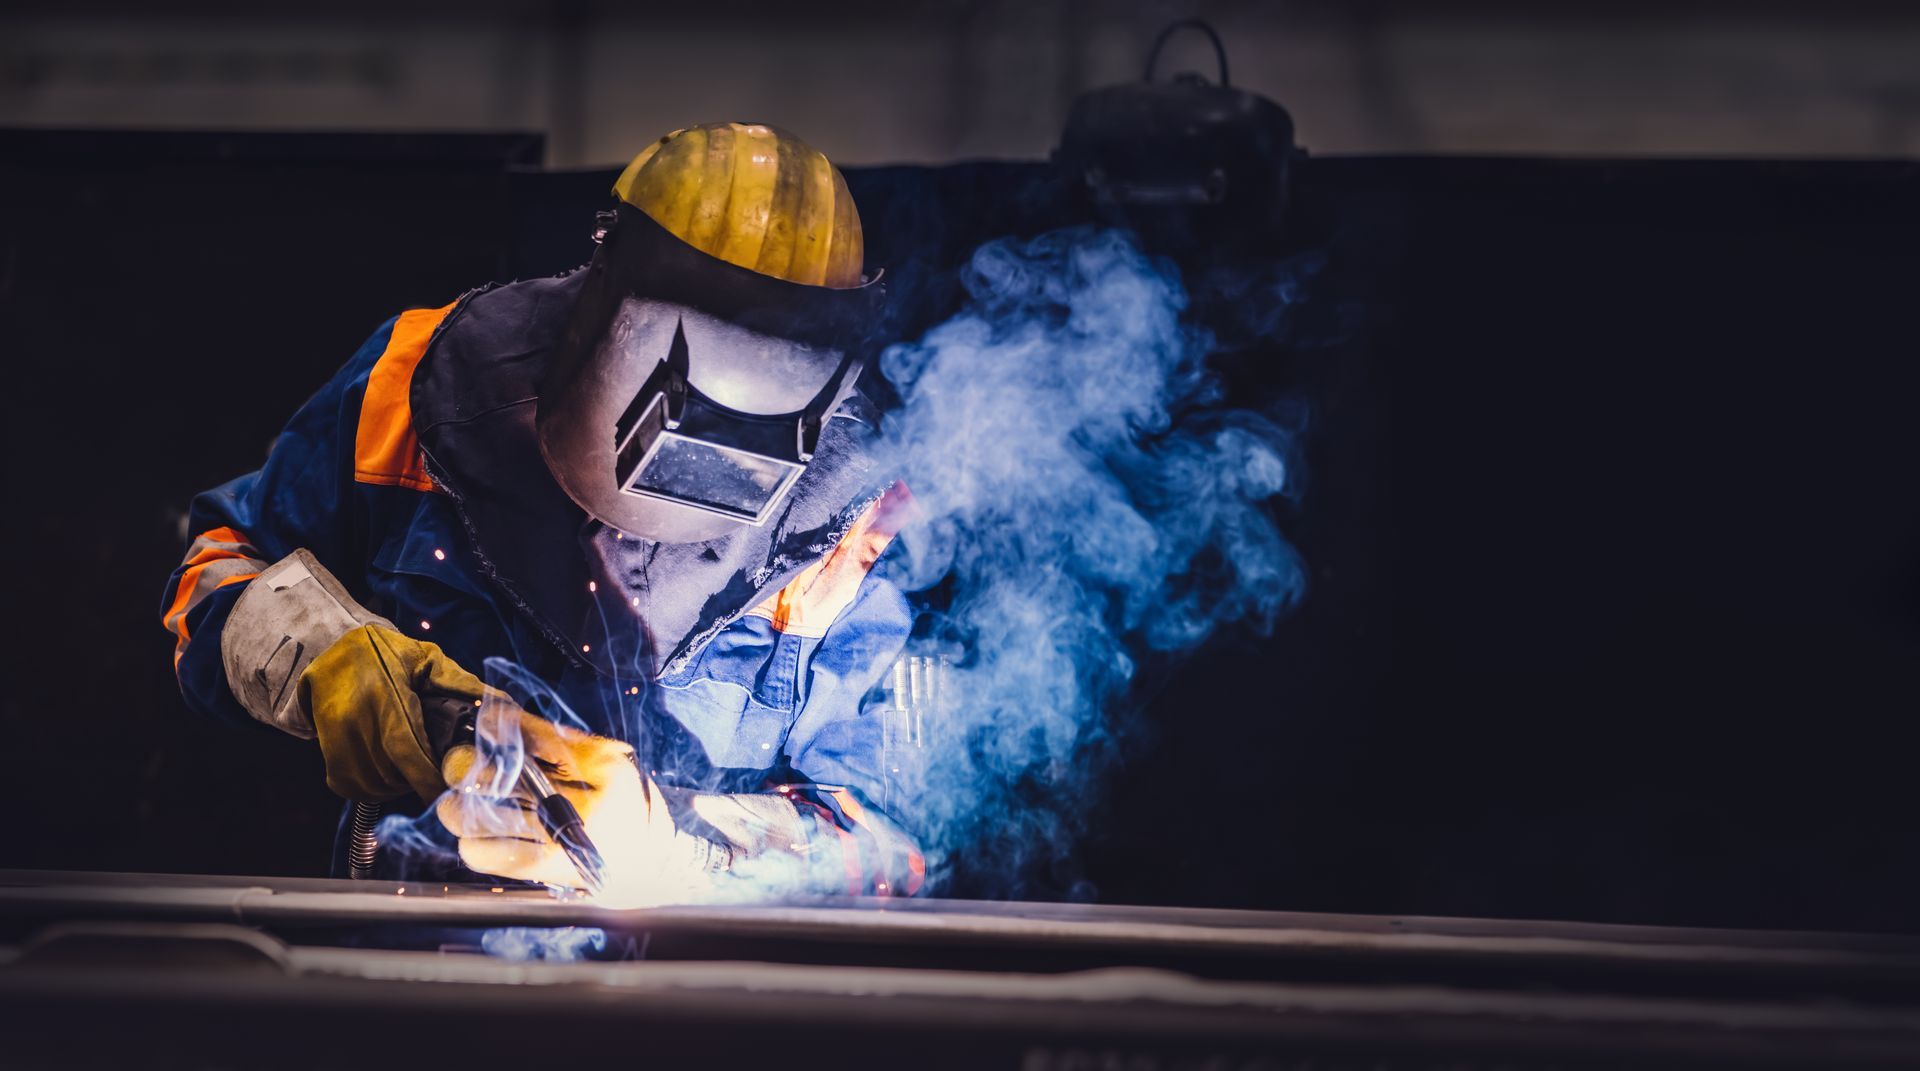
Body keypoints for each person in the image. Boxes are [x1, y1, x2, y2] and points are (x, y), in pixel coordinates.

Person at [160, 123, 924, 897]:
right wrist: (330, 659)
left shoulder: (863, 518)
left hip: (709, 992)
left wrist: (688, 849)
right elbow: (215, 569)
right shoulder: (416, 381)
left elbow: (902, 839)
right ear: (607, 294)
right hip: (411, 962)